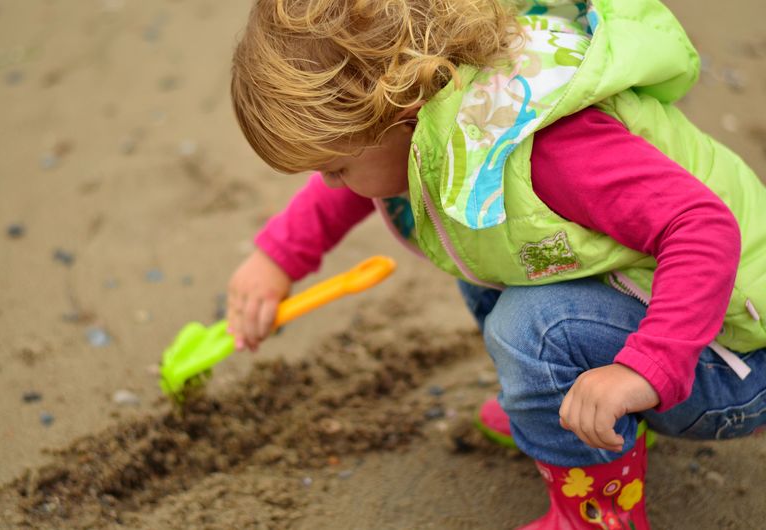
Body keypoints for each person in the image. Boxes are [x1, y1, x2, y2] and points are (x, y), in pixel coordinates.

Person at [226, 1, 766, 528]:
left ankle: (596, 515)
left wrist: (646, 367)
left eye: (336, 168)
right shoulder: (440, 109)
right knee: (467, 237)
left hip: (730, 355)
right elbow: (363, 173)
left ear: (404, 114)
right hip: (667, 308)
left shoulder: (550, 146)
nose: (331, 183)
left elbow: (702, 227)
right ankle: (561, 408)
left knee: (533, 326)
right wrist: (278, 257)